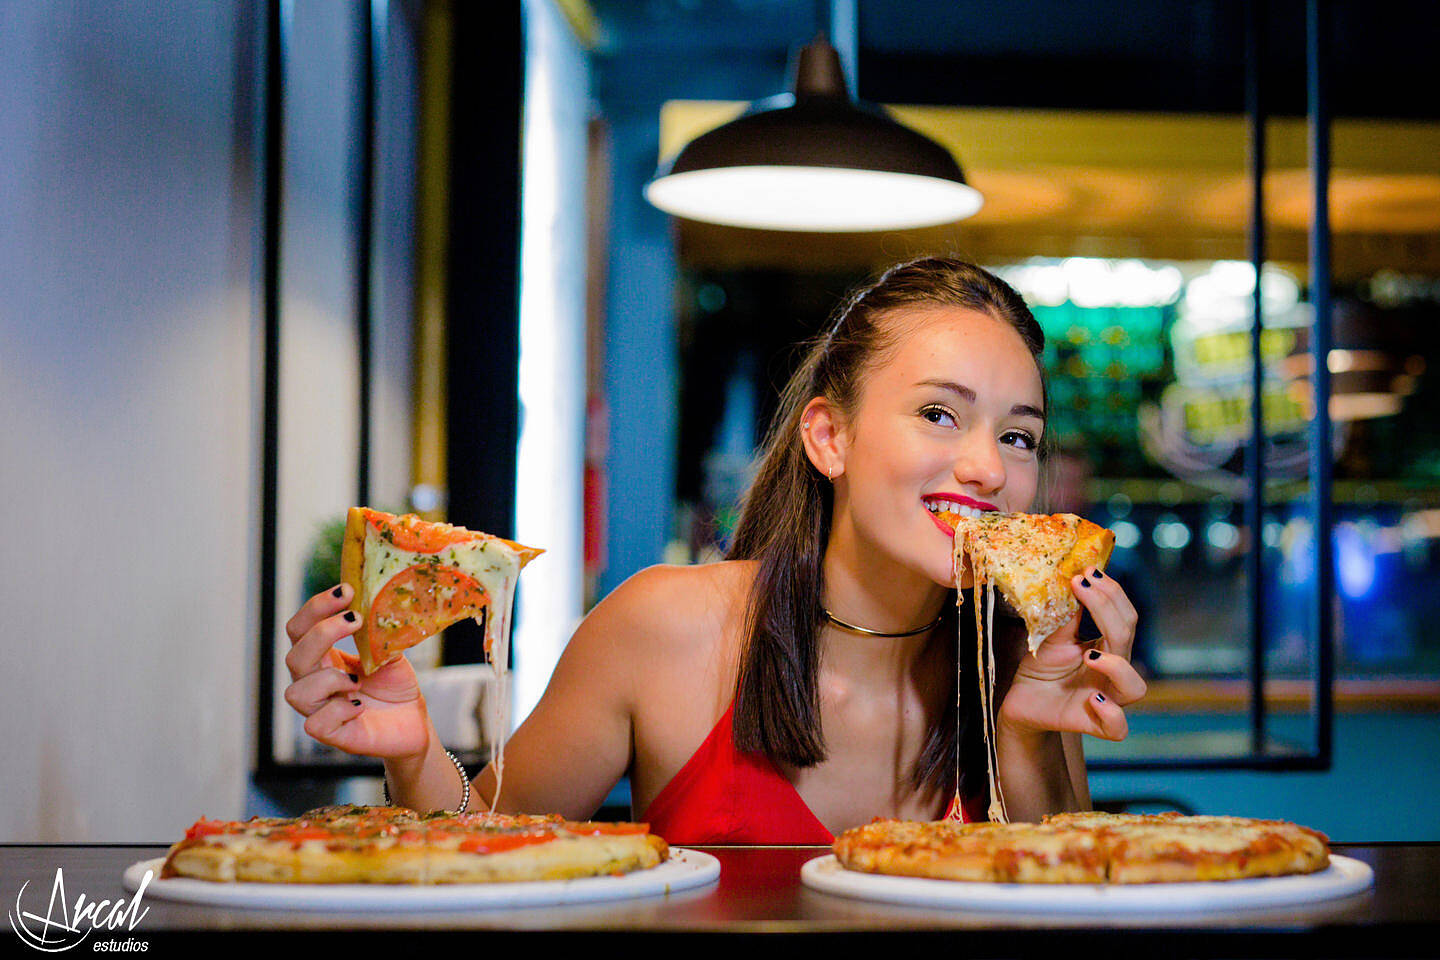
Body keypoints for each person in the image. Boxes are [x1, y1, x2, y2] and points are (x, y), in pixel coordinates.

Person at [282, 257, 1146, 843]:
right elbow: (488, 851)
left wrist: (1029, 739)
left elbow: (1063, 916)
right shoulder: (664, 626)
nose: (987, 467)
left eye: (1020, 437)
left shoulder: (1026, 662)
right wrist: (411, 751)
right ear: (829, 437)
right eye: (938, 414)